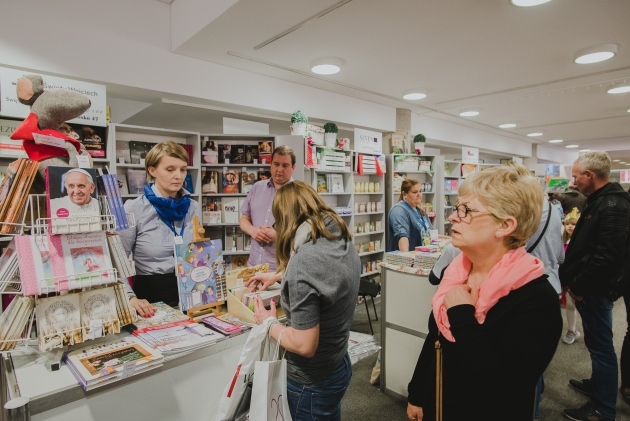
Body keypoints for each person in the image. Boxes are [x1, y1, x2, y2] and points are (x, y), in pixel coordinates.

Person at [406, 163, 562, 421]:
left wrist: (462, 314)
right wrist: (417, 394)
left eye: (466, 210)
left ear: (505, 225)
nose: (453, 217)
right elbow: (436, 340)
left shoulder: (536, 299)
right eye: (457, 208)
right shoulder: (457, 272)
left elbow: (505, 386)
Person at [251, 180, 360, 421]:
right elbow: (326, 276)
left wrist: (268, 323)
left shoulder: (304, 263)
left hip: (310, 382)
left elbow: (304, 345)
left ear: (286, 220)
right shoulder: (339, 237)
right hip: (337, 363)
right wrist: (280, 275)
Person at [560, 151, 630, 421]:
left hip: (594, 290)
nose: (573, 181)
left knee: (601, 347)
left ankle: (603, 408)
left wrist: (579, 284)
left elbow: (607, 256)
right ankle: (599, 385)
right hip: (590, 288)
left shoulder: (613, 204)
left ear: (589, 175)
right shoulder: (599, 201)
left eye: (576, 175)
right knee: (595, 343)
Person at [119, 141, 200, 317]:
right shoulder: (133, 208)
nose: (178, 176)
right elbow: (116, 260)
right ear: (152, 170)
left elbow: (197, 253)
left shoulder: (193, 207)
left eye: (183, 169)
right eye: (170, 169)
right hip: (150, 299)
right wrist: (130, 298)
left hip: (191, 293)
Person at [240, 145, 296, 289]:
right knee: (253, 309)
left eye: (285, 165)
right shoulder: (257, 187)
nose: (279, 169)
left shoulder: (299, 194)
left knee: (279, 310)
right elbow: (244, 218)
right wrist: (253, 231)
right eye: (276, 164)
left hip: (281, 271)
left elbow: (305, 234)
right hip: (254, 267)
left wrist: (279, 235)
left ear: (293, 167)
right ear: (270, 164)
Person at [387, 178, 434, 252]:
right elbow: (402, 237)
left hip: (423, 258)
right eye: (415, 192)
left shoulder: (421, 212)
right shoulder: (398, 210)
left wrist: (448, 239)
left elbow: (431, 233)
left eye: (420, 191)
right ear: (404, 194)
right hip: (406, 260)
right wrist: (406, 258)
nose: (419, 195)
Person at [561, 207, 581, 345]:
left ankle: (592, 332)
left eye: (573, 224)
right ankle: (572, 330)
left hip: (579, 279)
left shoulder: (581, 242)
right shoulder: (562, 242)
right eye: (568, 224)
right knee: (569, 306)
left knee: (585, 309)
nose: (570, 226)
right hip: (566, 279)